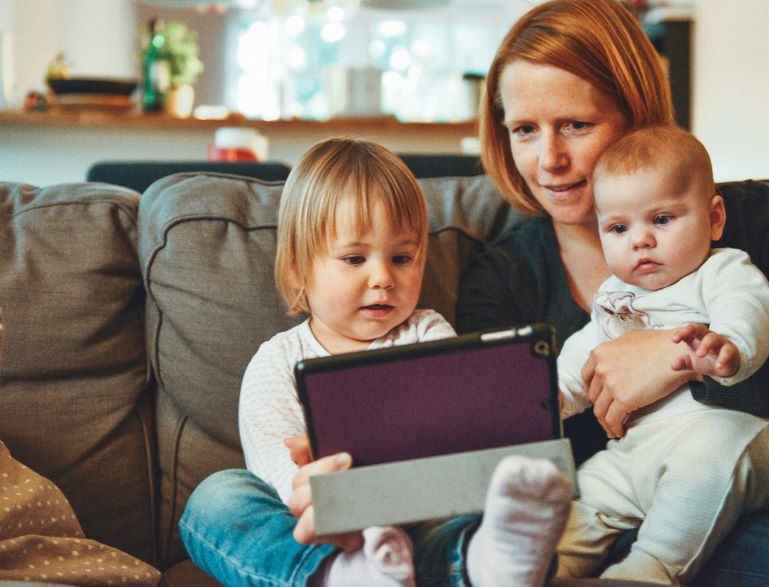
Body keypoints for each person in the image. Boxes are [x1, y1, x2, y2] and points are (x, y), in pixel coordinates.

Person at [457, 0, 769, 585]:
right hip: (622, 518)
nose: (549, 159)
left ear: (635, 115)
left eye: (576, 125)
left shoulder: (743, 219)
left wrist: (681, 355)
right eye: (525, 131)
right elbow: (499, 440)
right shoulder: (504, 276)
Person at [179, 137, 573, 587]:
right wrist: (333, 503)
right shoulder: (276, 362)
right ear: (297, 269)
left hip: (421, 520)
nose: (384, 278)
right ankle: (343, 576)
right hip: (323, 532)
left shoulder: (427, 333)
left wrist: (517, 408)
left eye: (402, 258)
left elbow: (461, 433)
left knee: (491, 503)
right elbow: (278, 476)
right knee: (216, 498)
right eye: (354, 259)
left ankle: (487, 563)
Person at [553, 125, 769, 582]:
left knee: (706, 457)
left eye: (662, 220)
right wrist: (553, 396)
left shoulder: (721, 269)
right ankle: (543, 568)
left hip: (745, 436)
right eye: (618, 227)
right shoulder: (616, 294)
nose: (640, 240)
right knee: (585, 491)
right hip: (640, 451)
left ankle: (648, 569)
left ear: (714, 218)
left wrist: (729, 345)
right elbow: (586, 351)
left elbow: (750, 307)